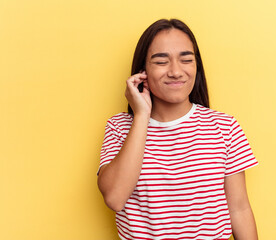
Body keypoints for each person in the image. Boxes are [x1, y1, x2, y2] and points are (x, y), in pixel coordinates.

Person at [97, 18, 259, 240]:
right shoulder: (119, 127)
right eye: (161, 61)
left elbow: (239, 209)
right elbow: (115, 198)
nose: (175, 71)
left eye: (186, 60)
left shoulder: (224, 127)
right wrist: (142, 115)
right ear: (142, 71)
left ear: (196, 67)